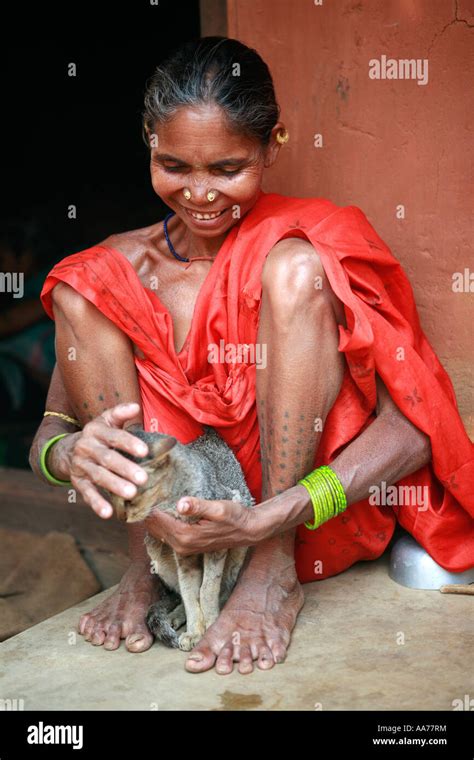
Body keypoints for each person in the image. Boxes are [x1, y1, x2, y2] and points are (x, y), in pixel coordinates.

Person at [29, 36, 474, 675]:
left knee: (297, 272)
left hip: (309, 514)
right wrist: (66, 454)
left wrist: (271, 521)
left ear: (272, 145)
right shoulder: (119, 269)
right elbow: (55, 431)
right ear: (149, 141)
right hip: (173, 531)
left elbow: (414, 428)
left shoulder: (315, 242)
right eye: (175, 166)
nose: (201, 194)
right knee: (81, 286)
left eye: (228, 168)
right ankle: (144, 567)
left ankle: (272, 575)